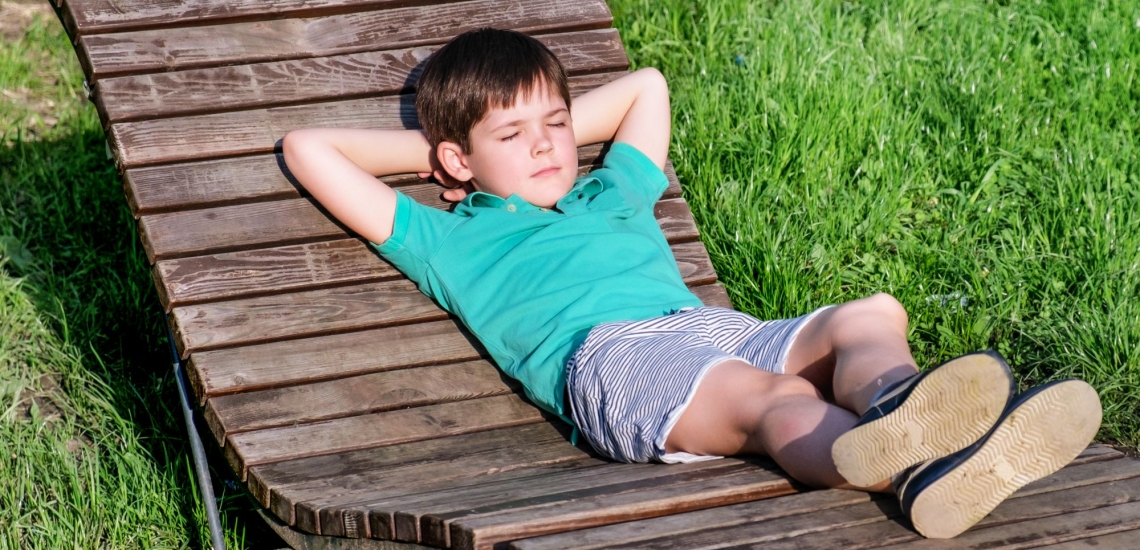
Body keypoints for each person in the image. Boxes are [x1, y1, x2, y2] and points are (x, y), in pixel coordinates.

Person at [281, 28, 1102, 539]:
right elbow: (307, 148)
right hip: (611, 361)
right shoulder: (447, 237)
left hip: (707, 327)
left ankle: (900, 408)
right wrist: (444, 155)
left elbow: (649, 86)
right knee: (768, 402)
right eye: (514, 135)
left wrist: (514, 131)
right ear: (459, 158)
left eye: (557, 125)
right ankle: (912, 471)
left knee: (869, 312)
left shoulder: (609, 190)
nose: (546, 146)